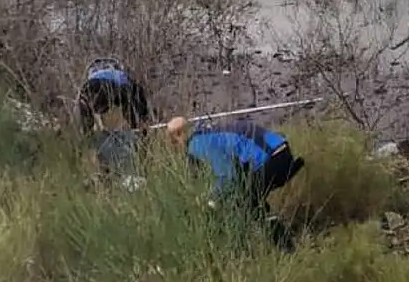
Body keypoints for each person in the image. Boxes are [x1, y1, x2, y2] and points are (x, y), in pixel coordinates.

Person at [166, 116, 305, 251]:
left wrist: (211, 201)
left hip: (270, 159)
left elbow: (228, 176)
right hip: (281, 152)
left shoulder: (196, 143)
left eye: (174, 142)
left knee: (243, 202)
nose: (177, 148)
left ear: (179, 134)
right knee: (250, 199)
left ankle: (281, 247)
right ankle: (283, 243)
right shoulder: (209, 132)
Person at [75, 57, 152, 136]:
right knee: (128, 102)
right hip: (111, 86)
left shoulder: (92, 76)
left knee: (85, 108)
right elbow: (137, 93)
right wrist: (143, 117)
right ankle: (137, 128)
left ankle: (87, 134)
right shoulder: (121, 75)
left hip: (89, 87)